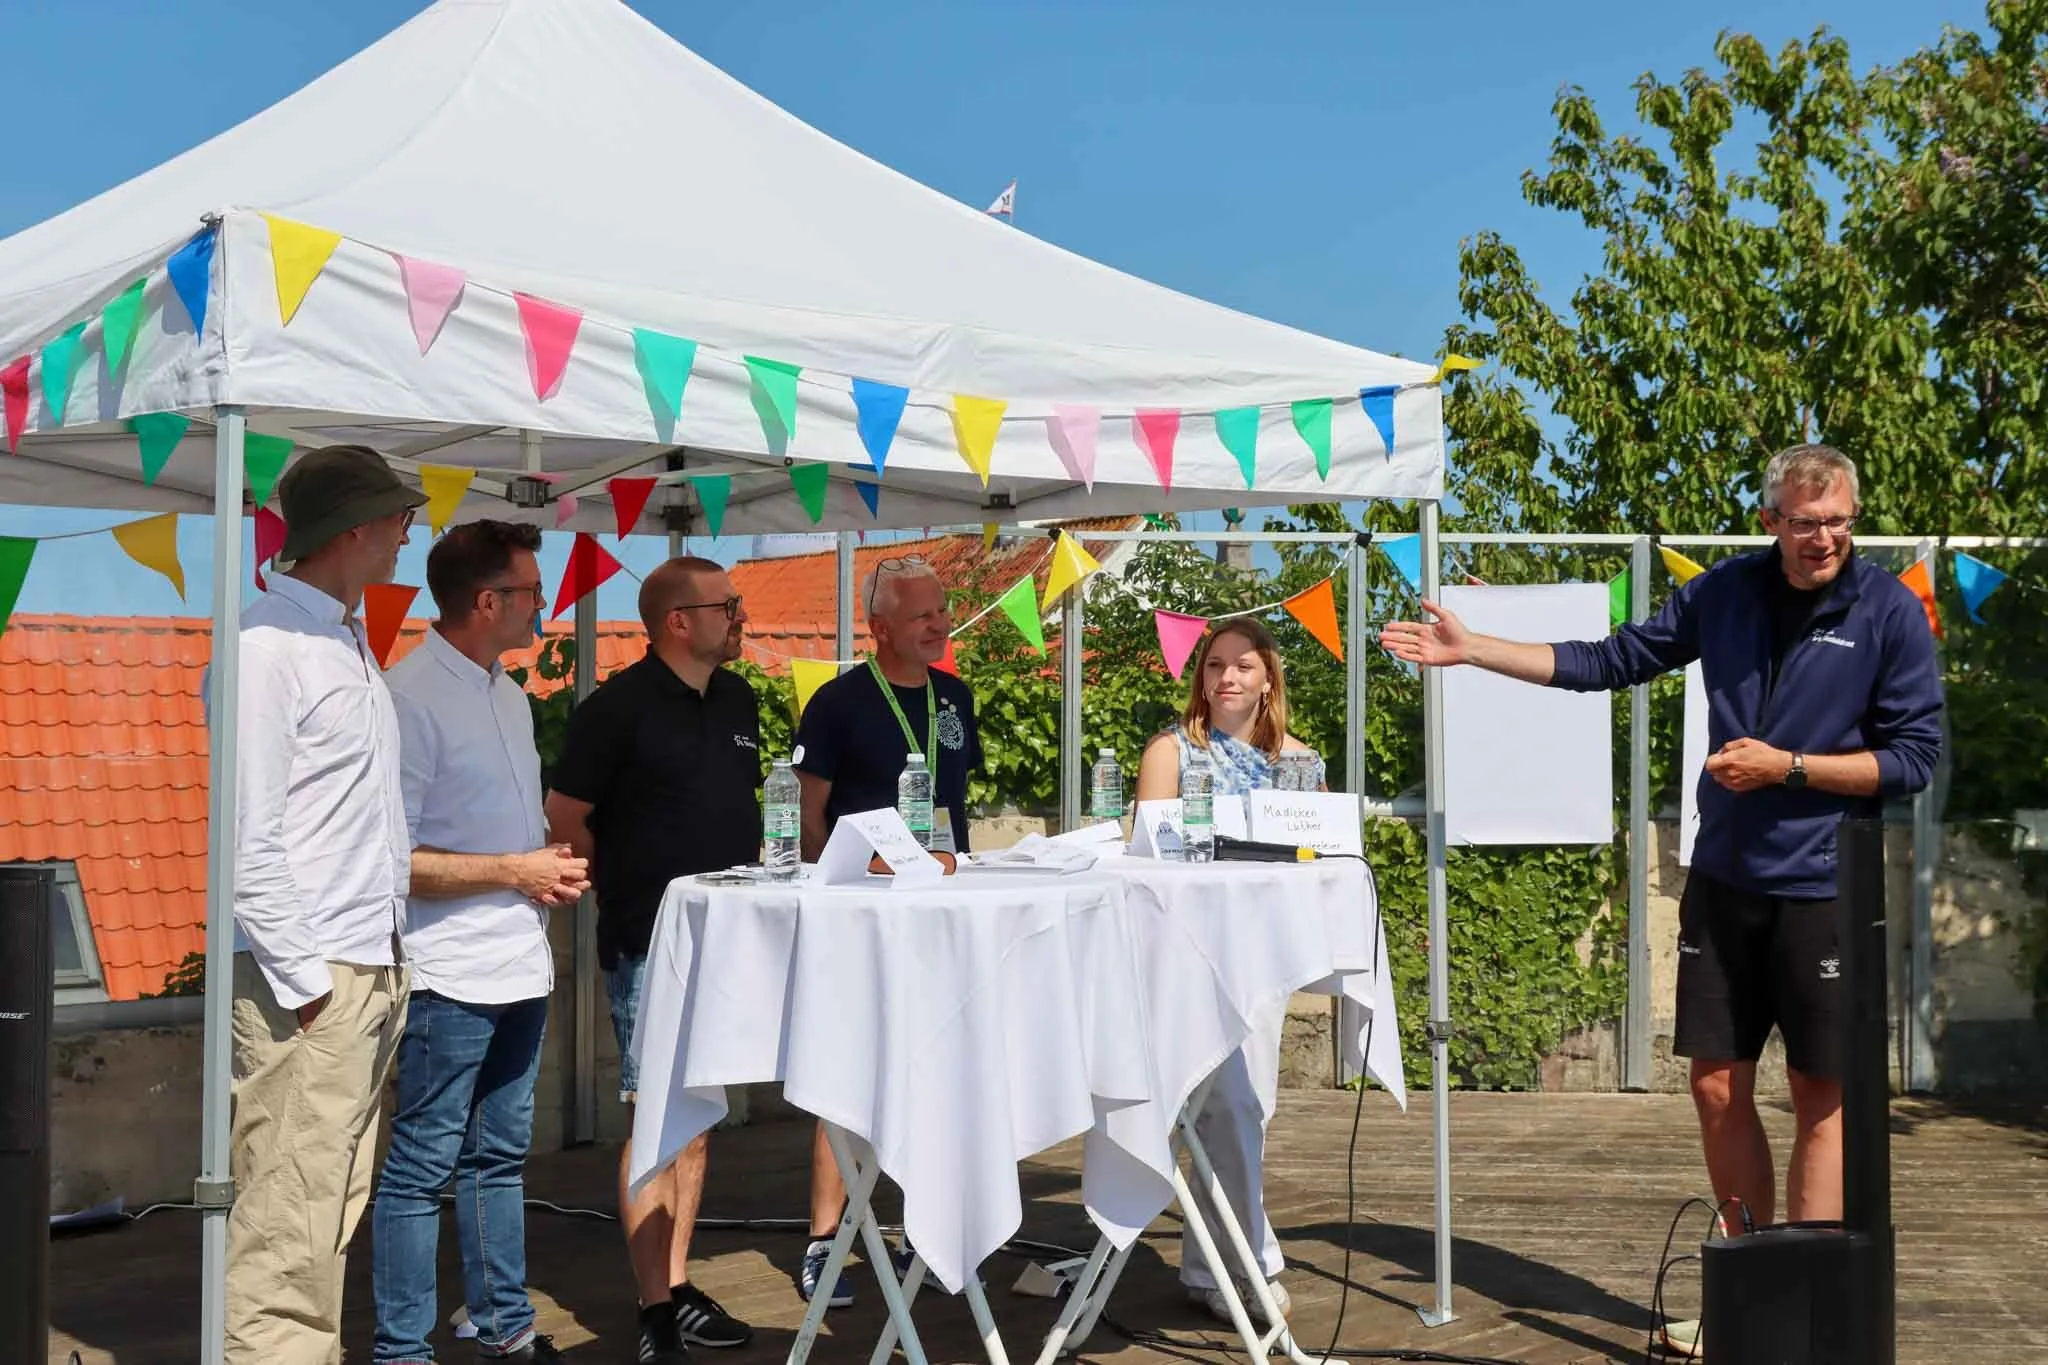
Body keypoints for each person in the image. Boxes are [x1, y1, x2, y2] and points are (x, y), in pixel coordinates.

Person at [1380, 444, 1942, 1354]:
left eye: (1839, 520)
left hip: (1825, 885)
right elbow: (1612, 658)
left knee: (1819, 1095)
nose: (1825, 538)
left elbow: (1914, 758)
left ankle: (1808, 1312)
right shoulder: (1723, 591)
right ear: (1772, 522)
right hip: (1723, 879)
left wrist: (1789, 767)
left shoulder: (1887, 611)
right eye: (1805, 523)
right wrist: (1473, 647)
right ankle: (1748, 1293)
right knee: (1717, 1086)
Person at [221, 443, 424, 1365]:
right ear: (353, 529)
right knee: (284, 1236)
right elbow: (246, 838)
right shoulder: (265, 648)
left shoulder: (337, 637)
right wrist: (310, 986)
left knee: (322, 1220)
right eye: (396, 517)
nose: (406, 534)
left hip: (363, 967)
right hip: (313, 981)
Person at [372, 521, 590, 1365]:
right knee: (422, 1166)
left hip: (519, 963)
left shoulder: (508, 691)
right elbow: (394, 861)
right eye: (534, 590)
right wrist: (516, 867)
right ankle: (403, 1351)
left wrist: (543, 869)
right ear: (488, 600)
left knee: (498, 1158)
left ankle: (506, 1326)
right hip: (447, 970)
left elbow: (507, 840)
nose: (545, 603)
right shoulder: (407, 696)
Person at [542, 557, 759, 1365]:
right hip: (647, 943)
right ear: (679, 620)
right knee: (654, 1120)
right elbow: (566, 817)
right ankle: (654, 1307)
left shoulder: (738, 699)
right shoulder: (615, 711)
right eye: (726, 606)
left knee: (697, 1118)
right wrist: (629, 890)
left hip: (731, 943)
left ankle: (677, 1280)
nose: (740, 616)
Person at [789, 554, 983, 1305]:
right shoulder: (838, 704)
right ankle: (825, 1238)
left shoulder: (956, 697)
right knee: (846, 1072)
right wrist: (827, 894)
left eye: (941, 609)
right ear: (880, 627)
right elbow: (809, 815)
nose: (939, 623)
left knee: (936, 1066)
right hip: (860, 914)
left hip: (941, 908)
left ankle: (921, 1234)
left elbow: (957, 808)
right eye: (923, 614)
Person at [1133, 615, 1323, 1325]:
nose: (1228, 677)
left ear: (1269, 677)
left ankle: (1206, 1269)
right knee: (1226, 1107)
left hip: (1261, 956)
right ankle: (1251, 1262)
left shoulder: (1299, 762)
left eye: (1243, 665)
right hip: (1181, 953)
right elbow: (1145, 858)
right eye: (1215, 665)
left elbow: (1312, 866)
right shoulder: (1171, 751)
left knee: (1245, 1113)